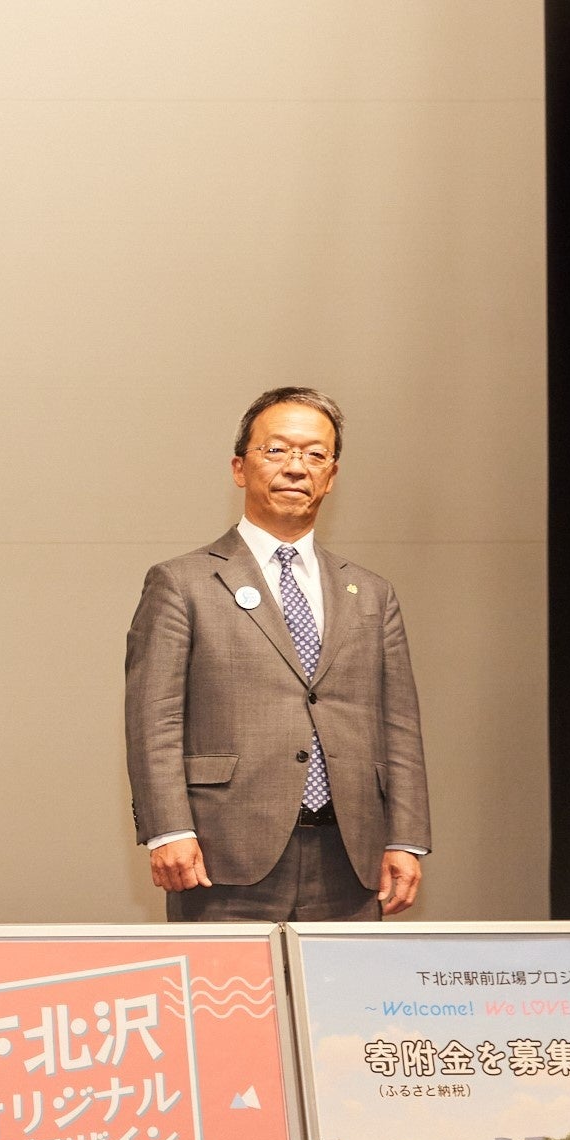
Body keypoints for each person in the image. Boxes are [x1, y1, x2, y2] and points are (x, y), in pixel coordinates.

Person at [122, 387, 430, 921]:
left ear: (331, 477)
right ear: (239, 468)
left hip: (352, 858)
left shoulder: (372, 593)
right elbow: (155, 719)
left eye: (315, 454)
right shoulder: (182, 582)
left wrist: (406, 837)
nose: (296, 467)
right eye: (277, 450)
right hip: (221, 854)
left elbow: (398, 723)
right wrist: (168, 829)